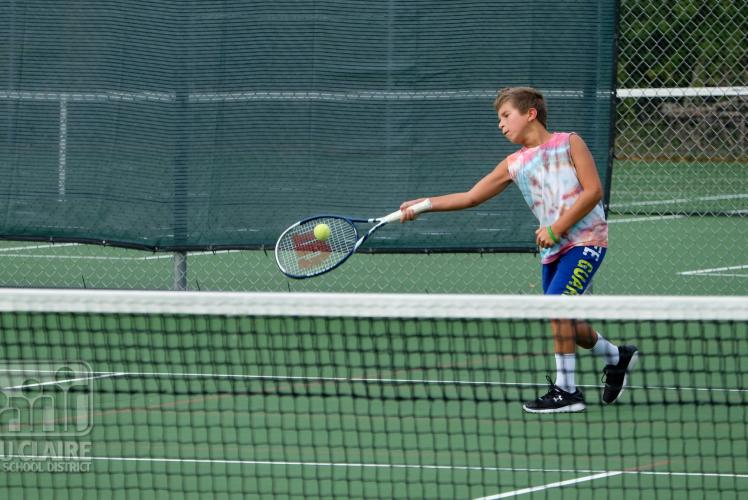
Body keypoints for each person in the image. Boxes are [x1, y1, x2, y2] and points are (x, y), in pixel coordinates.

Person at [399, 87, 638, 413]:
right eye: (499, 119)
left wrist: (556, 227)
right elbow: (471, 196)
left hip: (587, 241)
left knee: (557, 307)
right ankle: (615, 355)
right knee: (561, 316)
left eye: (505, 115)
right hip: (554, 250)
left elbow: (593, 191)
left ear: (530, 113)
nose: (501, 124)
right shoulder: (514, 163)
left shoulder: (570, 143)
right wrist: (423, 205)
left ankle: (568, 391)